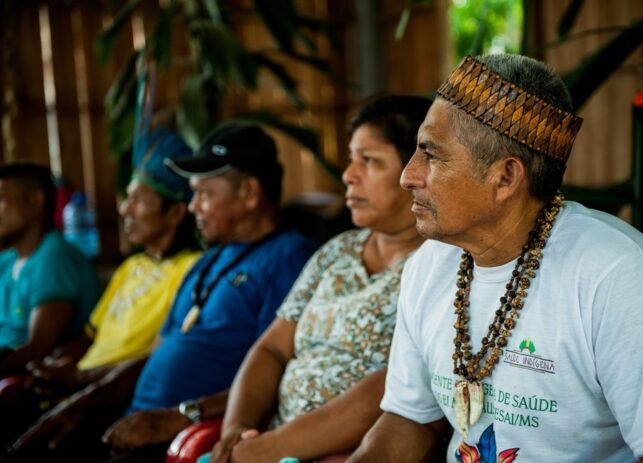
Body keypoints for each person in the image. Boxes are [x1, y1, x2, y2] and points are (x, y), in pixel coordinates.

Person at [349, 55, 643, 462]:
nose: (409, 175)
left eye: (431, 154)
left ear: (506, 178)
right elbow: (410, 420)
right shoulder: (430, 265)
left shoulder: (621, 277)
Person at [102, 95, 431, 463]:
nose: (348, 174)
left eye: (368, 161)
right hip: (266, 441)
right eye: (352, 158)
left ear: (417, 170)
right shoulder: (337, 251)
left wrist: (268, 448)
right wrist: (235, 430)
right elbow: (271, 349)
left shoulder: (438, 264)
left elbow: (400, 385)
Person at [8, 123, 316, 462]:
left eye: (205, 194)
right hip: (135, 420)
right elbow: (154, 355)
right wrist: (80, 403)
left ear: (249, 193)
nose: (194, 206)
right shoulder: (209, 261)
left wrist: (182, 416)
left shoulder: (289, 259)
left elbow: (278, 373)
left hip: (181, 434)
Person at [26, 128, 200, 397]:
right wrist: (56, 362)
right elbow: (91, 337)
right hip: (80, 382)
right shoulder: (132, 266)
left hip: (114, 390)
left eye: (138, 200)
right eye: (128, 197)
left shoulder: (192, 270)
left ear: (176, 212)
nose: (124, 209)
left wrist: (78, 378)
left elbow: (159, 356)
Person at [0, 163, 99, 378]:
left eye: (1, 199)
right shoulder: (8, 261)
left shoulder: (54, 259)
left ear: (36, 201)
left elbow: (38, 349)